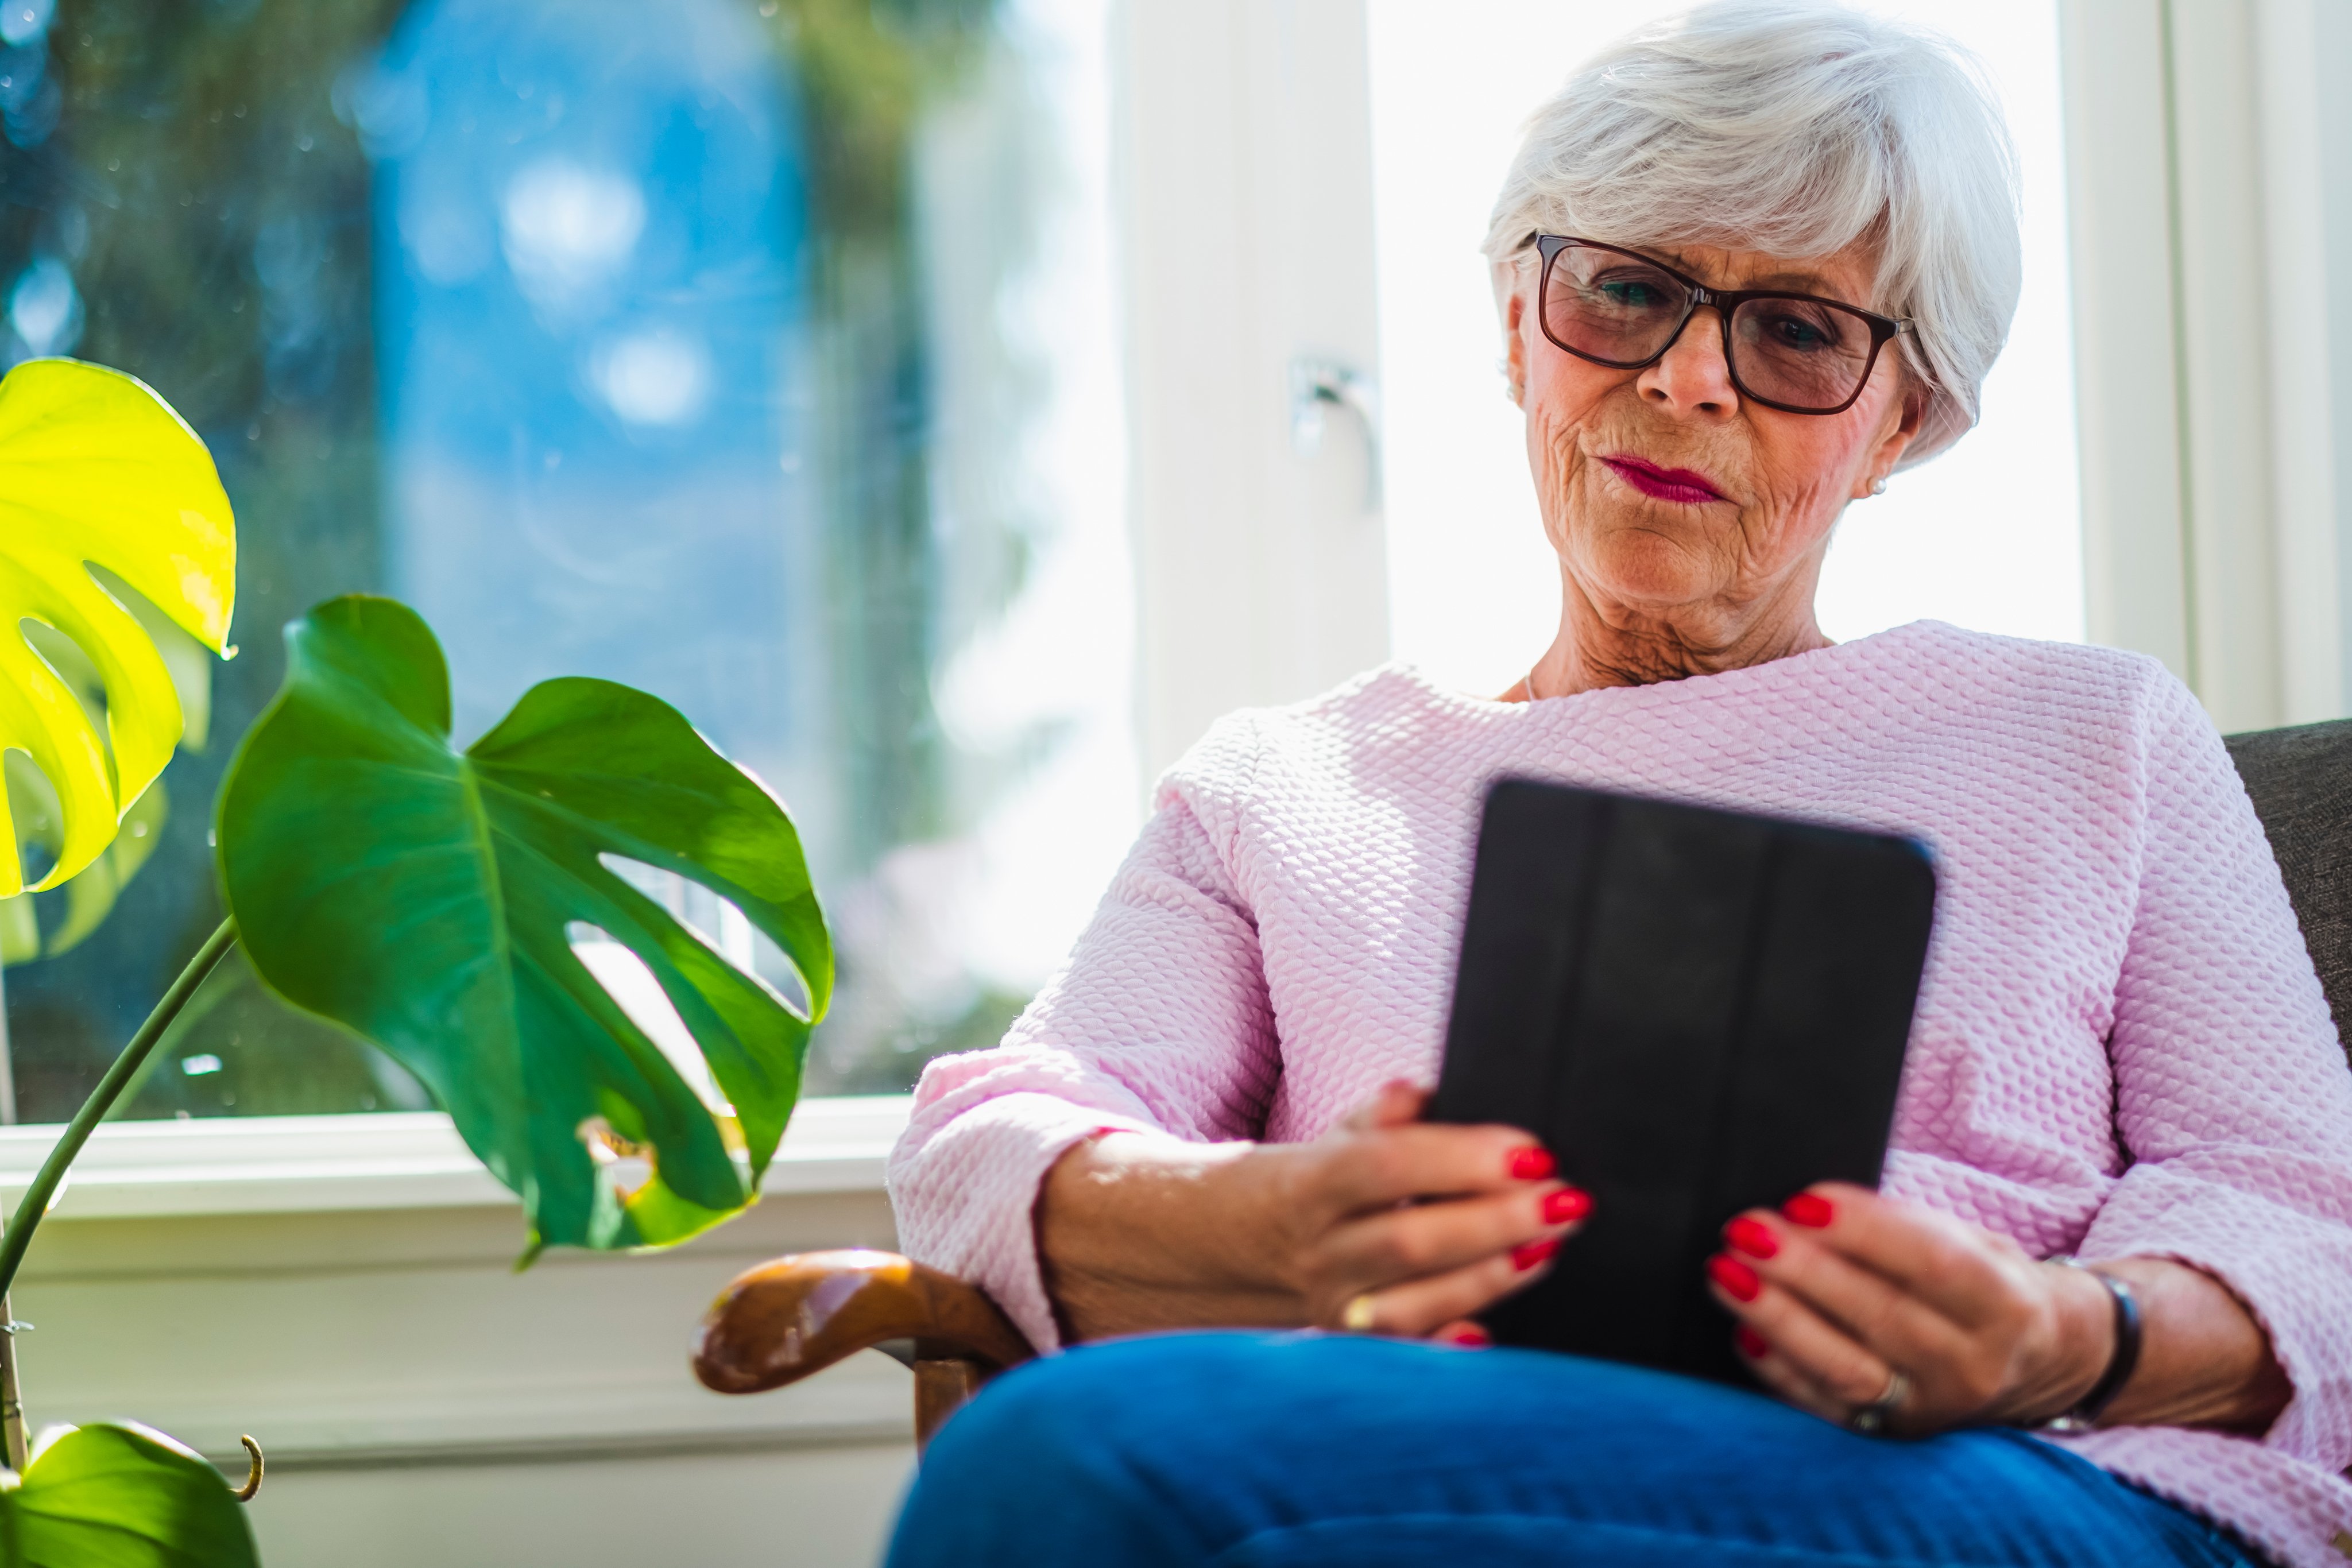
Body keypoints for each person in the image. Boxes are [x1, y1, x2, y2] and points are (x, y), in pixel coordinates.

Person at [884, 4, 2352, 1563]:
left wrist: (2066, 1332)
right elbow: (987, 1151)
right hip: (1445, 1454)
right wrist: (1264, 1227)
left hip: (2007, 1475)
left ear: (1898, 424)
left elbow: (2306, 1215)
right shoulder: (1275, 791)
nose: (1688, 377)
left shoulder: (2094, 732)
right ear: (1519, 329)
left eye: (1795, 330)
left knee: (1067, 1464)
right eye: (1628, 291)